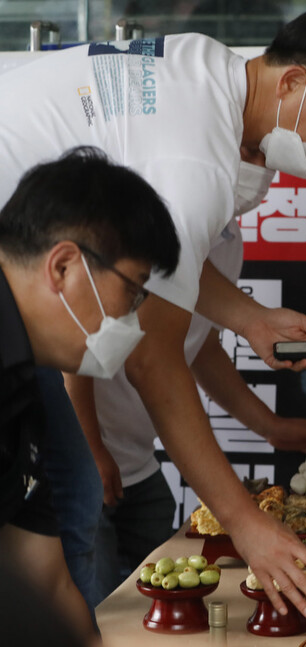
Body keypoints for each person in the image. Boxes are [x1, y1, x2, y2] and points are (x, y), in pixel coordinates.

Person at [0, 4, 306, 618]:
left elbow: (173, 284)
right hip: (20, 295)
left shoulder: (209, 77)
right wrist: (244, 524)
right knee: (71, 508)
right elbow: (153, 355)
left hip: (25, 289)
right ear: (295, 82)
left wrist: (249, 318)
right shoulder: (194, 157)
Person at [83, 164, 306, 602]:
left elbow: (199, 344)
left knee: (160, 604)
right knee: (94, 611)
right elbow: (78, 355)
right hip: (88, 463)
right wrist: (88, 448)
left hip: (138, 463)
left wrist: (270, 427)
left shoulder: (224, 244)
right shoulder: (135, 229)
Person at [0, 147, 181, 642]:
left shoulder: (28, 384)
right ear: (63, 267)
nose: (131, 319)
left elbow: (48, 579)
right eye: (133, 291)